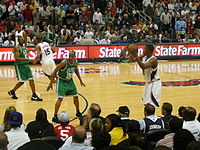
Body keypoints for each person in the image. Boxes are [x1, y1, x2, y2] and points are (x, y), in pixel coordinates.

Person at [47, 50, 85, 123]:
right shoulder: (64, 62)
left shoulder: (75, 62)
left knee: (76, 96)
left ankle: (78, 111)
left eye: (72, 56)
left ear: (75, 57)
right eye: (69, 56)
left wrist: (80, 80)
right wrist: (51, 83)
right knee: (60, 98)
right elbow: (55, 71)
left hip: (70, 81)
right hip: (61, 81)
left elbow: (76, 70)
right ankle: (55, 116)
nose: (70, 57)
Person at [8, 36, 43, 101]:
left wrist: (32, 50)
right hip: (20, 66)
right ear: (18, 41)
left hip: (26, 65)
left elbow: (25, 51)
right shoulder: (17, 47)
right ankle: (12, 91)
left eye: (22, 39)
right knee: (22, 81)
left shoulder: (23, 47)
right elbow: (17, 58)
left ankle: (34, 95)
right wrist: (28, 59)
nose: (22, 40)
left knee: (31, 79)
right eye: (20, 40)